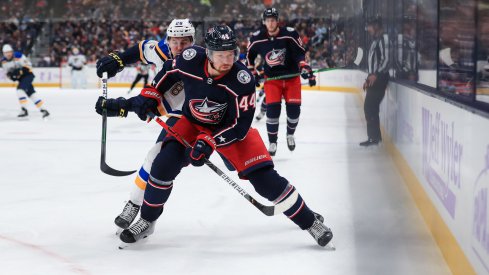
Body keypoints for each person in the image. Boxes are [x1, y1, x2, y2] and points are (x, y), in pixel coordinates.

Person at [96, 24, 333, 248]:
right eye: (221, 55)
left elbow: (241, 125)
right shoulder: (189, 59)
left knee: (265, 181)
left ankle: (311, 222)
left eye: (231, 54)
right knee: (161, 165)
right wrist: (139, 101)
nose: (227, 60)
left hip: (228, 131)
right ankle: (147, 221)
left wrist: (211, 141)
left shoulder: (243, 80)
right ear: (208, 53)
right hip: (191, 122)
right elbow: (165, 77)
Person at [95, 19, 195, 231]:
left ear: (192, 42)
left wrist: (120, 107)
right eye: (174, 42)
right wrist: (118, 60)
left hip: (188, 116)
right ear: (168, 40)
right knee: (154, 160)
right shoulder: (160, 49)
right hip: (169, 109)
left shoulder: (194, 63)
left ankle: (146, 217)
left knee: (159, 163)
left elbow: (165, 102)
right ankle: (136, 206)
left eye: (184, 43)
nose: (178, 47)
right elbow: (141, 49)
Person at [246, 8, 316, 156]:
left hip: (292, 78)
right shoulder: (257, 37)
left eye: (273, 20)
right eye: (268, 20)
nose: (270, 23)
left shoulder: (289, 34)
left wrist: (303, 66)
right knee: (272, 112)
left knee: (294, 113)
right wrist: (253, 72)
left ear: (277, 21)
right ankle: (272, 142)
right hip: (272, 81)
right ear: (264, 21)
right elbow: (249, 56)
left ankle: (290, 134)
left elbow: (299, 54)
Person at [361, 16, 390, 147]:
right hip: (375, 79)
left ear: (376, 26)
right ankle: (374, 137)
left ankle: (374, 137)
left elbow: (386, 60)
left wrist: (376, 75)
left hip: (380, 79)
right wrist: (368, 79)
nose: (368, 29)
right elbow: (374, 65)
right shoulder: (375, 41)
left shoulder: (384, 39)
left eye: (370, 26)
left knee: (370, 107)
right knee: (370, 108)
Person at [1, 44, 50, 118]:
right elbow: (7, 73)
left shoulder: (18, 55)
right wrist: (11, 76)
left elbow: (28, 66)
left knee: (20, 90)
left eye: (9, 52)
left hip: (28, 75)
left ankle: (24, 110)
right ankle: (44, 110)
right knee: (31, 94)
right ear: (3, 53)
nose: (8, 54)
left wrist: (20, 71)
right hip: (21, 78)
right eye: (6, 52)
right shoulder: (3, 61)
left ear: (12, 52)